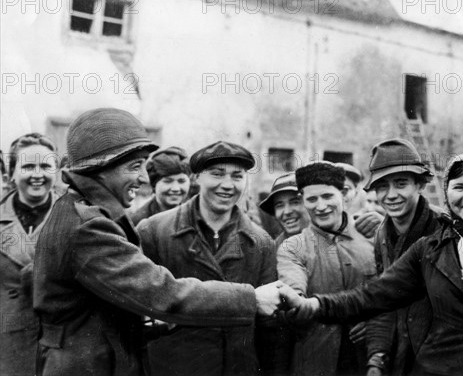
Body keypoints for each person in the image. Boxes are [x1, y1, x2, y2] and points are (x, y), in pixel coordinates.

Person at [33, 108, 287, 376]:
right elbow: (162, 292)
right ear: (100, 168)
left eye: (237, 175)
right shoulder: (88, 226)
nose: (144, 178)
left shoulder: (77, 212)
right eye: (134, 166)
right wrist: (251, 298)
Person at [284, 154, 463, 376]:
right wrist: (315, 305)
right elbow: (374, 295)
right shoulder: (430, 249)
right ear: (447, 192)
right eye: (459, 187)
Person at [137, 141, 284, 376]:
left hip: (237, 367)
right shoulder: (153, 231)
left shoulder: (261, 241)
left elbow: (269, 329)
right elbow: (142, 308)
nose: (227, 185)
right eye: (217, 174)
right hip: (172, 367)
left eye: (237, 176)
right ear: (196, 178)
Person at [278, 162, 376, 376]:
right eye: (311, 199)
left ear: (343, 195)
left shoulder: (374, 237)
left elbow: (397, 290)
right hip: (316, 361)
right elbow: (293, 292)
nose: (320, 206)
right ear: (303, 201)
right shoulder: (293, 247)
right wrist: (295, 302)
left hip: (370, 360)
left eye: (327, 196)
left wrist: (376, 322)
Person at [362, 139, 443, 376]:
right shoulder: (381, 234)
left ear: (419, 184)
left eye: (400, 184)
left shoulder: (445, 230)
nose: (391, 195)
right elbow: (383, 299)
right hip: (397, 357)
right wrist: (376, 357)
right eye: (382, 186)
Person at [1, 133, 58, 376]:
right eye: (27, 166)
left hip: (62, 342)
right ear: (12, 173)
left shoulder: (77, 218)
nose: (37, 174)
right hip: (9, 344)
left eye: (45, 166)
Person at [130, 146, 191, 225]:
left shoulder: (199, 213)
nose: (176, 188)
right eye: (168, 181)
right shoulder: (139, 221)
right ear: (154, 185)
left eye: (181, 181)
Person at [258, 172, 310, 248]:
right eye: (280, 205)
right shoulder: (272, 253)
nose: (287, 212)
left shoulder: (330, 242)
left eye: (295, 202)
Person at [337, 162, 384, 239]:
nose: (340, 194)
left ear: (356, 193)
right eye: (334, 189)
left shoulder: (363, 227)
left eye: (346, 189)